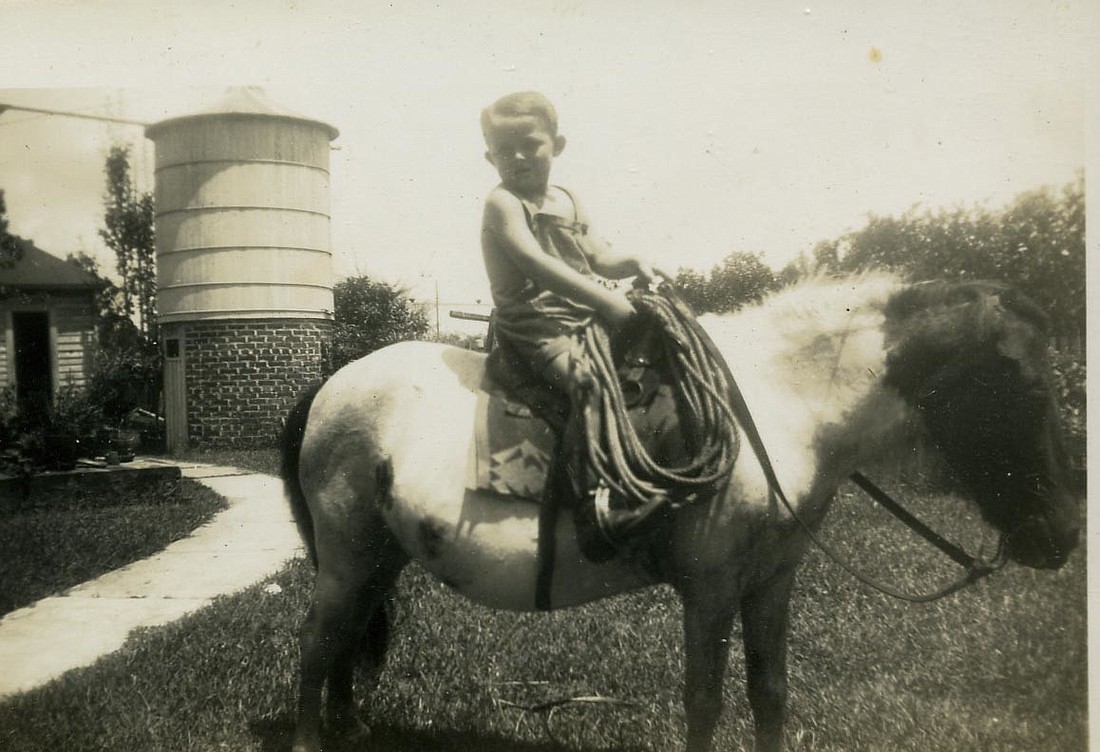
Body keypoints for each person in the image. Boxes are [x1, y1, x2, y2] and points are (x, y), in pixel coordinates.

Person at [479, 90, 668, 396]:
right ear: (491, 157)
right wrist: (606, 300)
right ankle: (598, 445)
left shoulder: (568, 199)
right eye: (504, 149)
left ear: (558, 146)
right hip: (537, 329)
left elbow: (600, 257)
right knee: (592, 388)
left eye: (530, 144)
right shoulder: (503, 202)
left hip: (582, 316)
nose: (517, 156)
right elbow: (535, 263)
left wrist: (634, 262)